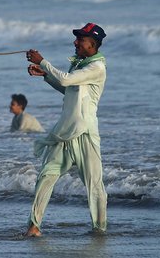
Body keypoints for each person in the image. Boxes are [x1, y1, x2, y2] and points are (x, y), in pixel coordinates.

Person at [24, 23, 108, 237]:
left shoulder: (96, 68)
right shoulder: (81, 65)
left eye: (80, 39)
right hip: (66, 131)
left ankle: (99, 230)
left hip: (85, 133)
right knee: (46, 176)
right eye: (77, 38)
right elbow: (67, 88)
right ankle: (34, 227)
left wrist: (42, 61)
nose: (75, 42)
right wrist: (45, 74)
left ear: (92, 44)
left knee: (94, 185)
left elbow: (66, 79)